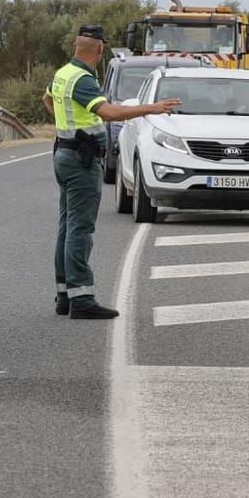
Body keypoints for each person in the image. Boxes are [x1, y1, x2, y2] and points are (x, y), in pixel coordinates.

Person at [49, 26, 180, 319]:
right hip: (81, 160)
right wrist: (152, 108)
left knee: (67, 226)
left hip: (64, 153)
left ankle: (64, 296)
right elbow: (108, 113)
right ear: (97, 50)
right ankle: (82, 300)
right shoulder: (82, 79)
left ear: (75, 47)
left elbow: (48, 100)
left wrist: (65, 127)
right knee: (80, 229)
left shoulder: (62, 74)